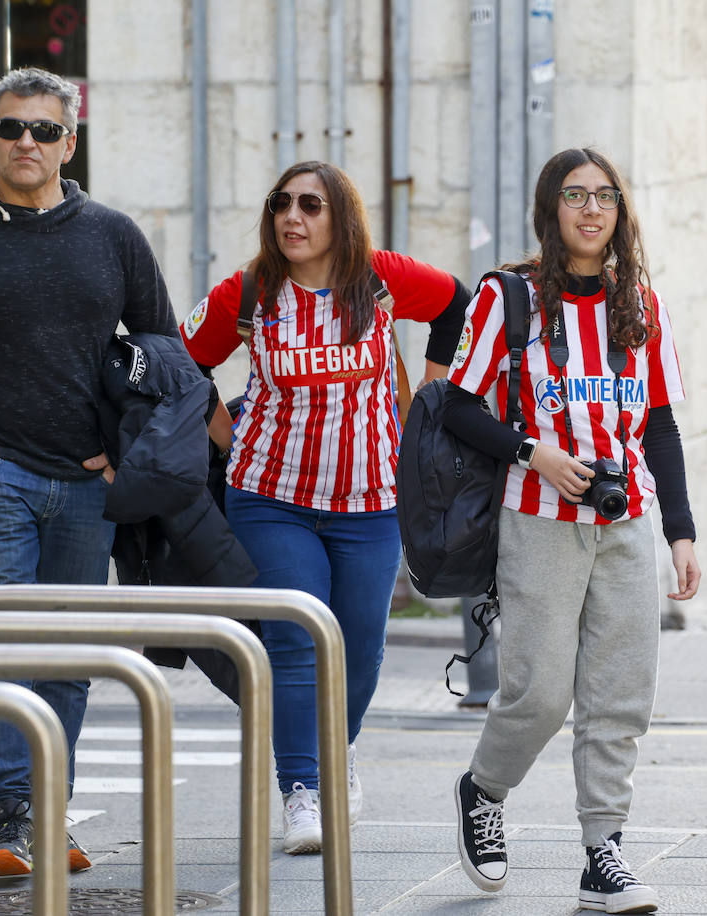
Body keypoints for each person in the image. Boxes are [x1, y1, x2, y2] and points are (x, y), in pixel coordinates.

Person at [0, 68, 179, 876]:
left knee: (68, 653)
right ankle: (11, 818)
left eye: (44, 131)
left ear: (69, 143)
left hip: (90, 486)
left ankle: (50, 809)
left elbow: (165, 352)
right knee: (1, 645)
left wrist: (127, 450)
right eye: (12, 128)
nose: (27, 142)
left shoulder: (112, 235)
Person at [179, 160, 470, 854]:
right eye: (282, 203)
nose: (293, 217)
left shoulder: (381, 278)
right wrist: (228, 432)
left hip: (371, 501)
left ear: (341, 215)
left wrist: (428, 397)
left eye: (311, 205)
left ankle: (336, 756)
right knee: (297, 639)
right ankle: (302, 789)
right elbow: (183, 361)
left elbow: (461, 303)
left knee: (362, 647)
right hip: (270, 498)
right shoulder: (247, 292)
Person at [443, 147, 700, 915]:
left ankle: (604, 852)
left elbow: (659, 424)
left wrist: (680, 531)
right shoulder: (509, 299)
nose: (591, 210)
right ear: (550, 209)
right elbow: (459, 406)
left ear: (620, 213)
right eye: (574, 195)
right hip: (540, 521)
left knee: (620, 696)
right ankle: (484, 790)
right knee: (541, 694)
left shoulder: (639, 306)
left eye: (606, 197)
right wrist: (533, 451)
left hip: (627, 523)